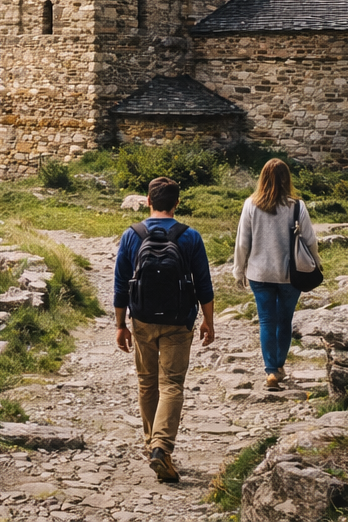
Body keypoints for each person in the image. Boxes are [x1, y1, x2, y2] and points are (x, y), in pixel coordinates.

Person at [115, 177, 216, 484]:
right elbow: (204, 284)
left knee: (147, 382)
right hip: (178, 320)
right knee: (171, 383)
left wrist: (121, 325)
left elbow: (121, 285)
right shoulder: (190, 237)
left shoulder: (132, 235)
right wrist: (208, 321)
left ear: (148, 201)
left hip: (142, 318)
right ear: (177, 204)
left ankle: (151, 445)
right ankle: (162, 446)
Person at [233, 158, 319, 390]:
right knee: (285, 320)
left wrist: (238, 270)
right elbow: (310, 240)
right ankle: (279, 365)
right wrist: (317, 263)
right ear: (287, 179)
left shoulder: (251, 204)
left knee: (266, 321)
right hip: (291, 274)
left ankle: (271, 370)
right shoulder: (297, 206)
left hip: (259, 274)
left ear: (262, 178)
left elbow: (243, 243)